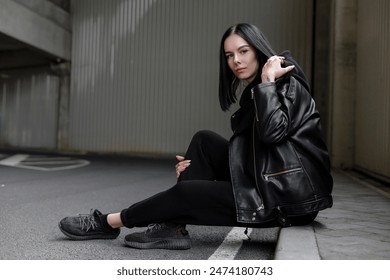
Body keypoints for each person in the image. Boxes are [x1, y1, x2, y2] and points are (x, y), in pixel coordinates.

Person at [59, 23, 333, 250]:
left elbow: (273, 133)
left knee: (186, 192)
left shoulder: (285, 83)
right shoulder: (257, 91)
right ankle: (172, 227)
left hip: (290, 198)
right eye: (228, 55)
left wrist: (268, 84)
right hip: (270, 179)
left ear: (258, 49)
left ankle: (108, 223)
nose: (236, 60)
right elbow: (255, 151)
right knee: (204, 141)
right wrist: (198, 171)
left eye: (243, 51)